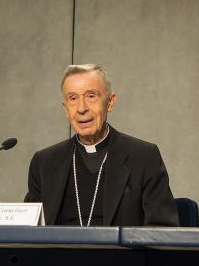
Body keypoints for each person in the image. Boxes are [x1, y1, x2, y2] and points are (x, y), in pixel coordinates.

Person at [25, 64, 179, 226]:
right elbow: (28, 232)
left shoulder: (144, 157)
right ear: (65, 109)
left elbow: (162, 229)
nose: (82, 108)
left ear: (110, 102)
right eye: (73, 98)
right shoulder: (44, 163)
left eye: (91, 96)